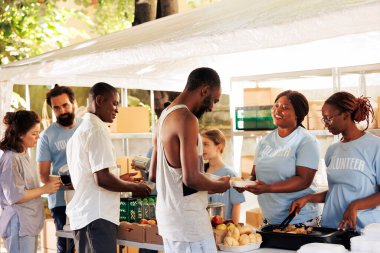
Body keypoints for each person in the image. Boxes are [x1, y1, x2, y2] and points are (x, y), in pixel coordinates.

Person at [149, 67, 231, 253]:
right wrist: (223, 185)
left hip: (170, 222)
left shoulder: (163, 117)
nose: (212, 108)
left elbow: (154, 174)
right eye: (214, 100)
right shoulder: (187, 118)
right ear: (204, 90)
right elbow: (191, 179)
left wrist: (213, 181)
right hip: (190, 225)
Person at [66, 82, 151, 253]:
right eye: (114, 103)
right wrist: (136, 187)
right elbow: (102, 179)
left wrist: (118, 180)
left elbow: (92, 175)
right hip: (96, 216)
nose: (117, 109)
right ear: (99, 100)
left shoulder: (82, 130)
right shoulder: (97, 130)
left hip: (88, 215)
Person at [290, 91, 380, 231]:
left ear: (345, 115)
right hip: (331, 228)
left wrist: (355, 206)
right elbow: (336, 192)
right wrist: (308, 198)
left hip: (363, 231)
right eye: (324, 120)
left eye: (328, 118)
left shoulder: (375, 146)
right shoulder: (332, 150)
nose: (326, 124)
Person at [242, 90, 321, 226]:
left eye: (285, 108)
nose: (278, 110)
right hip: (269, 219)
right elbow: (254, 176)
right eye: (276, 105)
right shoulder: (265, 141)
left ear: (297, 114)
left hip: (300, 220)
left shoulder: (306, 141)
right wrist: (243, 184)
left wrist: (268, 188)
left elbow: (304, 180)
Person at [0, 110, 61, 253]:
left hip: (27, 222)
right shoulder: (11, 159)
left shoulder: (24, 153)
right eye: (34, 133)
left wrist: (56, 181)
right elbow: (15, 196)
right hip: (18, 223)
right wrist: (45, 189)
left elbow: (28, 184)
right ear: (21, 134)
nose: (38, 137)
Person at [36, 84, 81, 253]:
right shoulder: (47, 136)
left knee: (88, 244)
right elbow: (43, 175)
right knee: (66, 246)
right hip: (62, 202)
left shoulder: (86, 127)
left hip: (87, 197)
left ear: (73, 103)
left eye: (65, 105)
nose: (62, 111)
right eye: (56, 108)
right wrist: (69, 183)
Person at [201, 128, 245, 223]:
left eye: (206, 144)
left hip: (222, 229)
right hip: (202, 229)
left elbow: (236, 205)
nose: (201, 148)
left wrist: (232, 229)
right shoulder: (199, 173)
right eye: (200, 144)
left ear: (219, 147)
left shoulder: (230, 175)